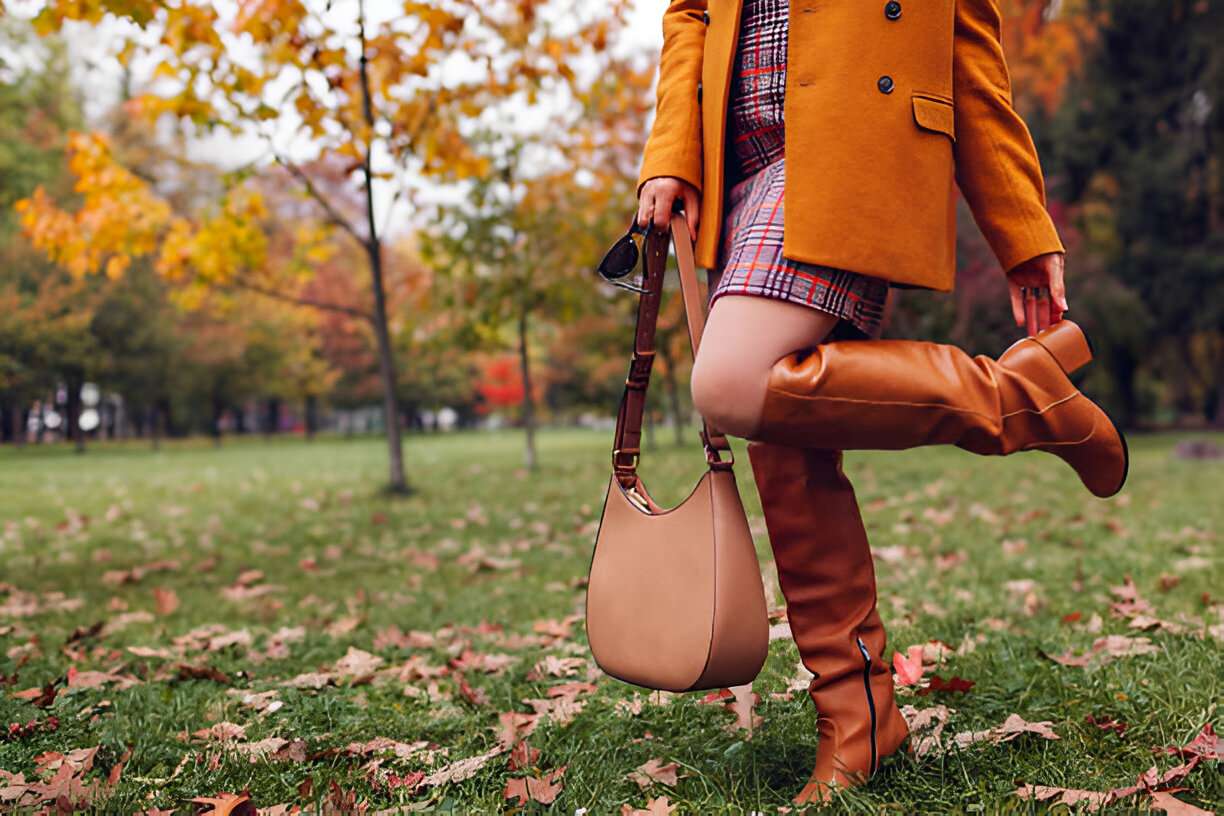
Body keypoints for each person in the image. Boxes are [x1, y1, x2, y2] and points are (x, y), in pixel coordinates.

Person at [633, 0, 1129, 805]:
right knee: (782, 428)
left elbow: (969, 64)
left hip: (855, 145)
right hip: (739, 163)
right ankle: (860, 720)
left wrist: (1023, 231)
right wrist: (672, 152)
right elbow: (690, 12)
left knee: (732, 381)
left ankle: (1011, 397)